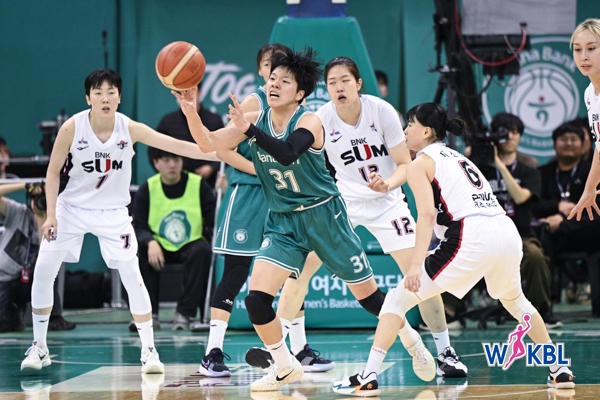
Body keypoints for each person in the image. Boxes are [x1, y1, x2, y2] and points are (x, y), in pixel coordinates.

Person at [176, 47, 398, 392]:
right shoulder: (256, 119)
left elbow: (287, 153)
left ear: (300, 93)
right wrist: (191, 113)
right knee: (256, 300)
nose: (274, 85)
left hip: (324, 216)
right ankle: (284, 366)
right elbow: (208, 144)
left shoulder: (309, 120)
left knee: (371, 301)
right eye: (272, 79)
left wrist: (248, 130)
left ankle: (412, 341)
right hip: (284, 222)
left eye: (284, 81)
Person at [332, 103, 575, 397]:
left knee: (395, 300)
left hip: (471, 235)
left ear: (426, 131)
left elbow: (426, 216)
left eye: (410, 124)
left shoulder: (420, 163)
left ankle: (367, 377)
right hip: (505, 232)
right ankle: (559, 369)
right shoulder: (458, 157)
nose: (405, 130)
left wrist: (415, 265)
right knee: (516, 301)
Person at [253, 57, 467, 378]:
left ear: (358, 83)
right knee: (301, 270)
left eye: (345, 81)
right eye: (332, 83)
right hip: (343, 203)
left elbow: (405, 164)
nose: (338, 87)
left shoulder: (381, 111)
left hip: (388, 202)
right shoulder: (320, 118)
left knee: (420, 274)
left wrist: (388, 184)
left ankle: (445, 351)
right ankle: (284, 350)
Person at [19, 68, 218, 374]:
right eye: (98, 93)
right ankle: (39, 346)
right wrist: (52, 215)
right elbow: (53, 172)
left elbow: (175, 145)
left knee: (133, 276)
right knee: (44, 270)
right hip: (71, 208)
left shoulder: (129, 128)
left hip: (113, 213)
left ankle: (149, 351)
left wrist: (220, 154)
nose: (105, 98)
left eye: (111, 92)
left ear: (119, 97)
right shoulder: (72, 128)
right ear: (88, 98)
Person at [198, 43, 332, 378]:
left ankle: (299, 349)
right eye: (269, 66)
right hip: (249, 193)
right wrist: (260, 172)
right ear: (261, 71)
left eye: (281, 67)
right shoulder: (254, 104)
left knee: (291, 273)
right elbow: (221, 150)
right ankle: (212, 351)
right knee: (235, 272)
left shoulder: (298, 108)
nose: (275, 73)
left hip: (284, 197)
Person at [481, 112, 560, 328]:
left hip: (520, 236)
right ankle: (450, 311)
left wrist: (498, 164)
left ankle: (541, 309)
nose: (511, 137)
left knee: (535, 255)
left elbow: (519, 197)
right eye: (505, 132)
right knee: (453, 253)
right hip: (485, 236)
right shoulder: (478, 168)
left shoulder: (529, 170)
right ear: (494, 136)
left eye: (516, 132)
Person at [131, 147, 215, 331]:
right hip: (158, 244)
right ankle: (148, 314)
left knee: (202, 251)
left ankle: (184, 314)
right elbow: (139, 226)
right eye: (166, 160)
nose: (172, 165)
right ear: (156, 163)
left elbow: (213, 220)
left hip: (191, 243)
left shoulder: (198, 185)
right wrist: (150, 241)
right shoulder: (147, 189)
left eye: (176, 159)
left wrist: (220, 194)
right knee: (139, 251)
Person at [534, 122, 600, 308]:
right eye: (563, 139)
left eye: (574, 139)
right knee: (544, 234)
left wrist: (562, 219)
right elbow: (534, 205)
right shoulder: (543, 173)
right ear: (554, 144)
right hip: (552, 234)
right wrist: (557, 206)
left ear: (583, 144)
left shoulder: (592, 172)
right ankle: (545, 304)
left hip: (584, 232)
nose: (569, 143)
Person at [0, 182, 75, 332]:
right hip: (4, 279)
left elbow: (45, 254)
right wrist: (25, 185)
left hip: (29, 280)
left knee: (48, 267)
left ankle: (54, 318)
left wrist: (41, 217)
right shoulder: (18, 212)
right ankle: (15, 316)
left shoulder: (56, 223)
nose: (43, 203)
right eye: (40, 198)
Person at [156, 81, 223, 188]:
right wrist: (168, 171)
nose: (185, 96)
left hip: (206, 183)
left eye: (188, 92)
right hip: (175, 182)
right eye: (180, 92)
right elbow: (155, 151)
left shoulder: (214, 120)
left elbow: (226, 149)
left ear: (199, 93)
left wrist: (212, 167)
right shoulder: (167, 121)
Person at [568, 18, 600, 225]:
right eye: (578, 49)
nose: (584, 56)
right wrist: (589, 189)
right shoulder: (589, 93)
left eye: (591, 48)